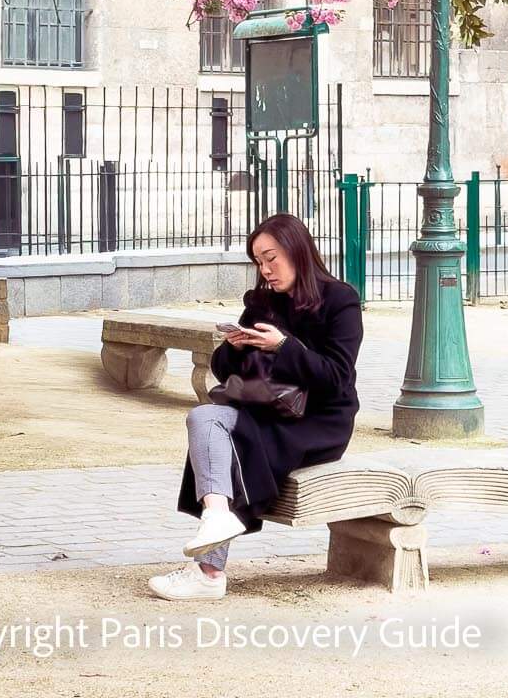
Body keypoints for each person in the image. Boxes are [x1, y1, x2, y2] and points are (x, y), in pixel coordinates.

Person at [148, 211, 364, 600]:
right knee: (204, 417)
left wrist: (283, 346)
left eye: (271, 258)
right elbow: (223, 370)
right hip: (265, 410)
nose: (265, 270)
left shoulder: (341, 300)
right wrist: (235, 348)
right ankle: (216, 517)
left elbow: (337, 377)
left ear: (297, 251)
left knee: (237, 444)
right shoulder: (263, 302)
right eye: (258, 262)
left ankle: (208, 572)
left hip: (318, 422)